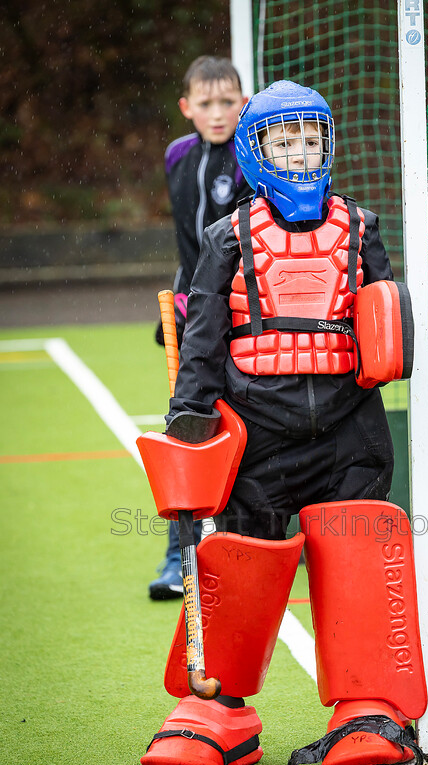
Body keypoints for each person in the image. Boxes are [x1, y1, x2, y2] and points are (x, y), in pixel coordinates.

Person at [140, 80, 427, 765]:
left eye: (311, 139)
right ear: (254, 150)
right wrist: (190, 418)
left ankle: (369, 707)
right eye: (283, 140)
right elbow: (204, 332)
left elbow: (379, 316)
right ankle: (221, 709)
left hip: (348, 431)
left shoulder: (360, 227)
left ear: (328, 145)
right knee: (238, 561)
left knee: (357, 558)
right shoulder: (228, 235)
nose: (299, 154)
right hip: (256, 432)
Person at [149, 56, 251, 600]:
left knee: (249, 423)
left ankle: (249, 538)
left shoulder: (252, 154)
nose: (218, 113)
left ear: (243, 101)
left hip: (240, 316)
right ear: (187, 108)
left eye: (228, 102)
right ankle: (178, 555)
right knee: (187, 429)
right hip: (194, 314)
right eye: (205, 104)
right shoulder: (177, 156)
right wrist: (184, 300)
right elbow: (192, 248)